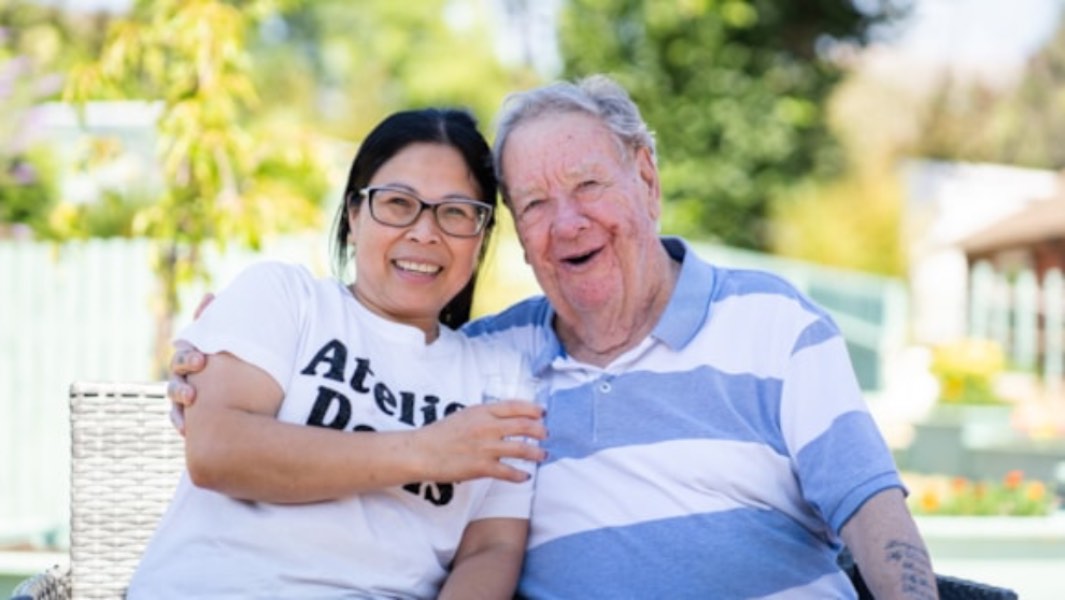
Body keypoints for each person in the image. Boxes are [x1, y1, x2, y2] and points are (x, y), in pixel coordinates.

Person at [170, 76, 938, 599]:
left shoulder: (772, 321)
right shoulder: (502, 358)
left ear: (645, 178)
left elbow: (869, 506)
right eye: (534, 203)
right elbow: (231, 438)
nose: (566, 222)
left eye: (587, 185)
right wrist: (213, 361)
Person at [128, 108, 547, 600]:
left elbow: (491, 548)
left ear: (482, 236)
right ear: (353, 215)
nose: (425, 232)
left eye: (455, 212)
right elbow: (218, 453)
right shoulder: (285, 298)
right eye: (398, 203)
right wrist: (424, 451)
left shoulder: (501, 376)